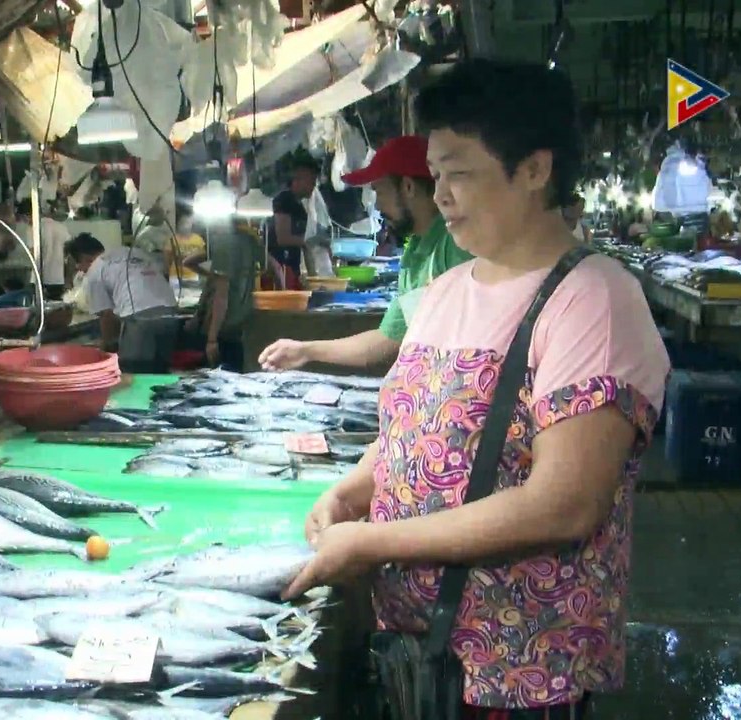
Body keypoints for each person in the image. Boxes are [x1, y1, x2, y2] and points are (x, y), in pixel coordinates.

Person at [281, 59, 670, 718]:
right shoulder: (444, 292)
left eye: (460, 173)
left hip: (518, 671)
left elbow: (563, 505)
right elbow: (413, 432)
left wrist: (372, 543)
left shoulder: (593, 300)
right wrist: (355, 487)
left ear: (536, 169)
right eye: (436, 176)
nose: (440, 196)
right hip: (417, 654)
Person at [259, 135, 474, 372]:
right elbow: (389, 337)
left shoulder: (456, 247)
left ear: (408, 187)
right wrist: (305, 351)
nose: (378, 206)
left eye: (380, 192)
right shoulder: (415, 251)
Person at [65, 232, 178, 373]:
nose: (80, 270)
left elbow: (107, 316)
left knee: (133, 373)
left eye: (78, 265)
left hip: (141, 320)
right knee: (160, 373)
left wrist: (106, 349)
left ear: (85, 259)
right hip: (171, 315)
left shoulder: (96, 269)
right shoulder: (133, 252)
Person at [183, 218, 260, 370]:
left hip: (223, 328)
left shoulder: (225, 245)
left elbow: (221, 297)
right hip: (241, 323)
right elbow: (276, 268)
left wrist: (212, 339)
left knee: (221, 379)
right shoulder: (249, 241)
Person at [262, 156, 318, 290]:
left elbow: (303, 245)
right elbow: (283, 237)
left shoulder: (300, 205)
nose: (313, 186)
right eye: (311, 181)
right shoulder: (284, 200)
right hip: (278, 268)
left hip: (292, 268)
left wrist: (313, 278)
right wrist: (310, 241)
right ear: (298, 180)